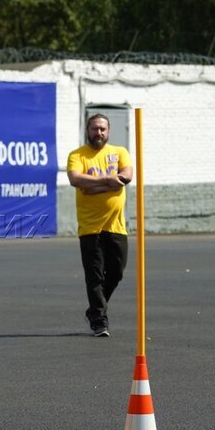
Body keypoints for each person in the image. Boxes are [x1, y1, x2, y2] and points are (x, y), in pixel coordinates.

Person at [66, 114, 133, 337]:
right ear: (87, 130)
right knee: (94, 276)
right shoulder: (77, 155)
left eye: (103, 129)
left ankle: (95, 309)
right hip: (90, 228)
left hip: (116, 226)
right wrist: (108, 182)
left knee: (116, 272)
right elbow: (76, 180)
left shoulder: (120, 152)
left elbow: (126, 176)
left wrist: (93, 186)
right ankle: (99, 320)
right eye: (95, 129)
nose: (99, 133)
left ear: (108, 131)